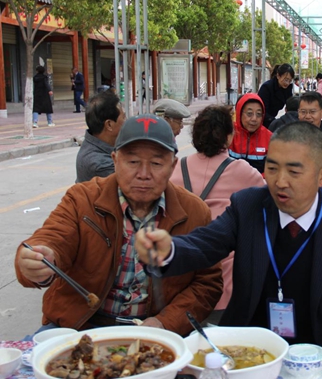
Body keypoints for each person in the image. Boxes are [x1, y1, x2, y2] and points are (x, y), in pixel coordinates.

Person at [134, 121, 322, 378]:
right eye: (272, 168)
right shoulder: (248, 206)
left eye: (294, 172)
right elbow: (205, 243)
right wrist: (169, 250)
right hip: (248, 345)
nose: (280, 181)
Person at [16, 114, 223, 336]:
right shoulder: (82, 199)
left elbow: (207, 283)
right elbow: (52, 238)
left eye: (156, 163)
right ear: (115, 160)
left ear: (172, 166)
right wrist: (39, 261)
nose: (144, 174)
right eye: (133, 162)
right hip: (78, 326)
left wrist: (165, 323)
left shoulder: (194, 211)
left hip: (154, 330)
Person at [170, 105, 265, 324]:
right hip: (223, 275)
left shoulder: (177, 166)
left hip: (182, 266)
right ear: (229, 136)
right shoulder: (242, 170)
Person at [75, 91, 126, 183]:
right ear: (109, 125)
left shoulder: (94, 143)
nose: (126, 121)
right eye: (123, 117)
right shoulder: (101, 164)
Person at [229, 93, 272, 173]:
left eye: (259, 114)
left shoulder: (269, 138)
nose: (254, 119)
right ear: (239, 113)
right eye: (249, 113)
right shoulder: (228, 133)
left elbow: (272, 170)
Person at [258, 64, 295, 128]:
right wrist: (276, 122)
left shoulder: (287, 89)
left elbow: (291, 105)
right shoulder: (267, 87)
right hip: (262, 121)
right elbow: (262, 110)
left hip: (272, 119)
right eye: (286, 80)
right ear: (278, 76)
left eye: (290, 81)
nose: (287, 83)